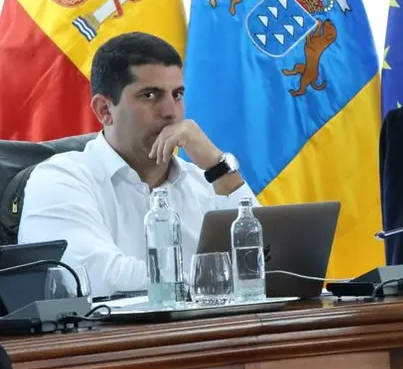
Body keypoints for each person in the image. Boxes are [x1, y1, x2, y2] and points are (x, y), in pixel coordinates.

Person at [18, 32, 256, 297]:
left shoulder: (205, 182)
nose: (170, 111)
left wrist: (218, 166)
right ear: (104, 110)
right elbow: (94, 277)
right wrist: (216, 281)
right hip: (109, 338)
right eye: (150, 95)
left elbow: (269, 264)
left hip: (215, 336)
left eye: (177, 94)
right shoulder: (59, 179)